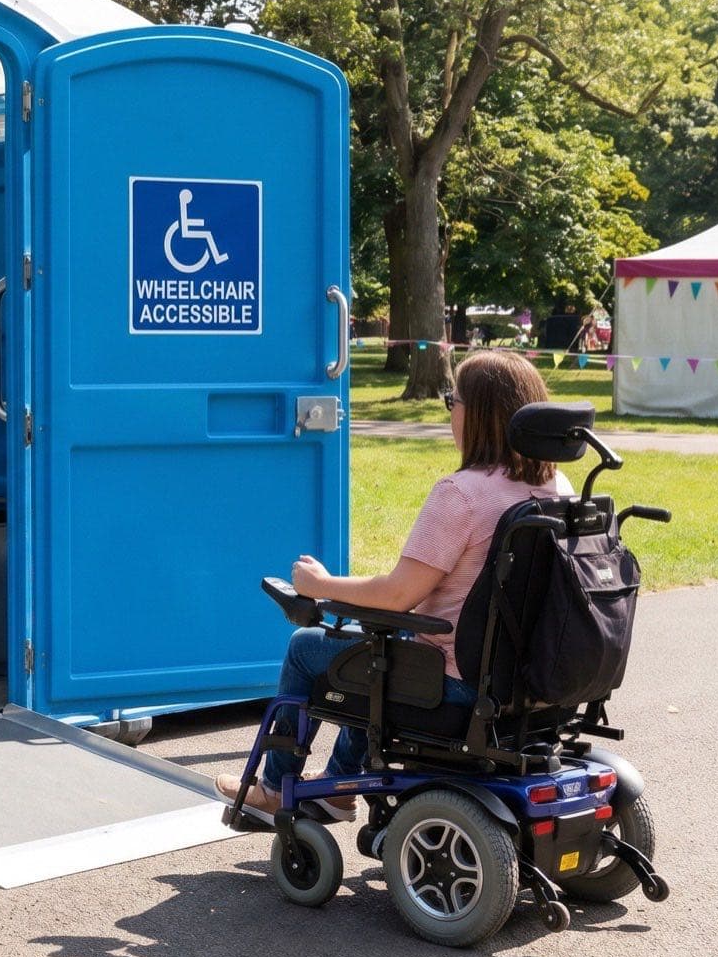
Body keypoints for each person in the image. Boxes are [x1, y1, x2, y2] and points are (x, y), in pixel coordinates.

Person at [215, 350, 575, 820]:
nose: (451, 412)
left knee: (309, 646)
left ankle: (273, 786)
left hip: (458, 684)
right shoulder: (559, 488)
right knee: (379, 650)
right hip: (530, 680)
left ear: (479, 415)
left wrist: (321, 583)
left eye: (453, 401)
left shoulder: (461, 495)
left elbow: (397, 595)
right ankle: (337, 787)